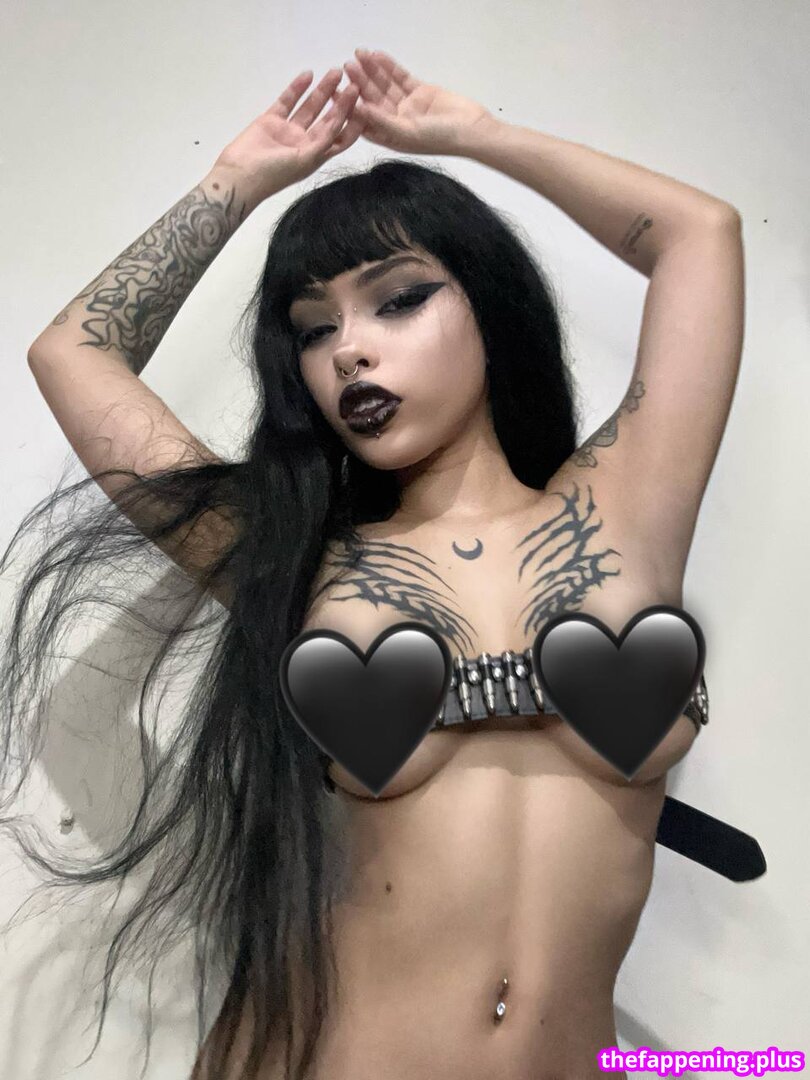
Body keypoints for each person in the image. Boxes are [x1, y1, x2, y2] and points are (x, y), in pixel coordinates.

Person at [3, 46, 745, 1080]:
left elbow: (700, 235)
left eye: (398, 299)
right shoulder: (287, 552)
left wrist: (475, 137)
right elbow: (72, 351)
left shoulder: (626, 511)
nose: (350, 349)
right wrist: (239, 180)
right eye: (315, 330)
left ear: (489, 306)